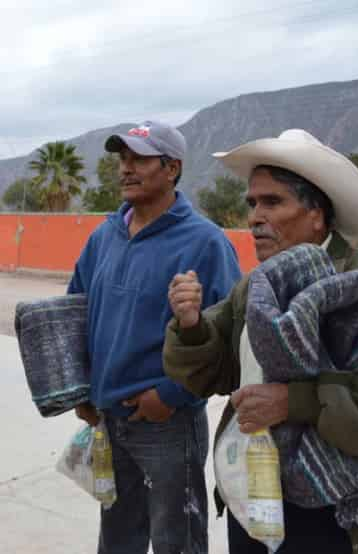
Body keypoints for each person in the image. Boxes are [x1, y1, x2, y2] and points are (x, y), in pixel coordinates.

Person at [164, 129, 358, 554]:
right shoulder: (256, 288)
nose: (254, 217)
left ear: (317, 214)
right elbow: (216, 371)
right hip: (254, 498)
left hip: (338, 516)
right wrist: (190, 328)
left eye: (272, 202)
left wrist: (297, 402)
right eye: (252, 203)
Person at [68, 120, 242, 554]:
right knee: (118, 538)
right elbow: (76, 310)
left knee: (176, 541)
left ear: (172, 168)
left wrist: (171, 394)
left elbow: (229, 339)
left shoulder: (205, 242)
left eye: (140, 159)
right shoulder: (104, 235)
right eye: (122, 158)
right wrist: (80, 386)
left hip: (167, 425)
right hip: (109, 417)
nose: (126, 168)